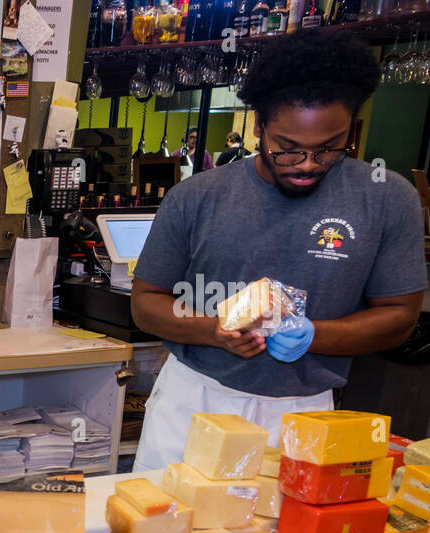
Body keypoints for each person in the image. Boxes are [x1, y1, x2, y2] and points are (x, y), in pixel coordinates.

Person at [130, 30, 425, 471]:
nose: (308, 164)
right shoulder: (197, 196)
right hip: (195, 403)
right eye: (288, 148)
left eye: (329, 148)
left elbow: (400, 316)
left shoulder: (385, 197)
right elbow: (146, 304)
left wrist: (315, 335)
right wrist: (213, 330)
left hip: (302, 416)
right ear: (259, 124)